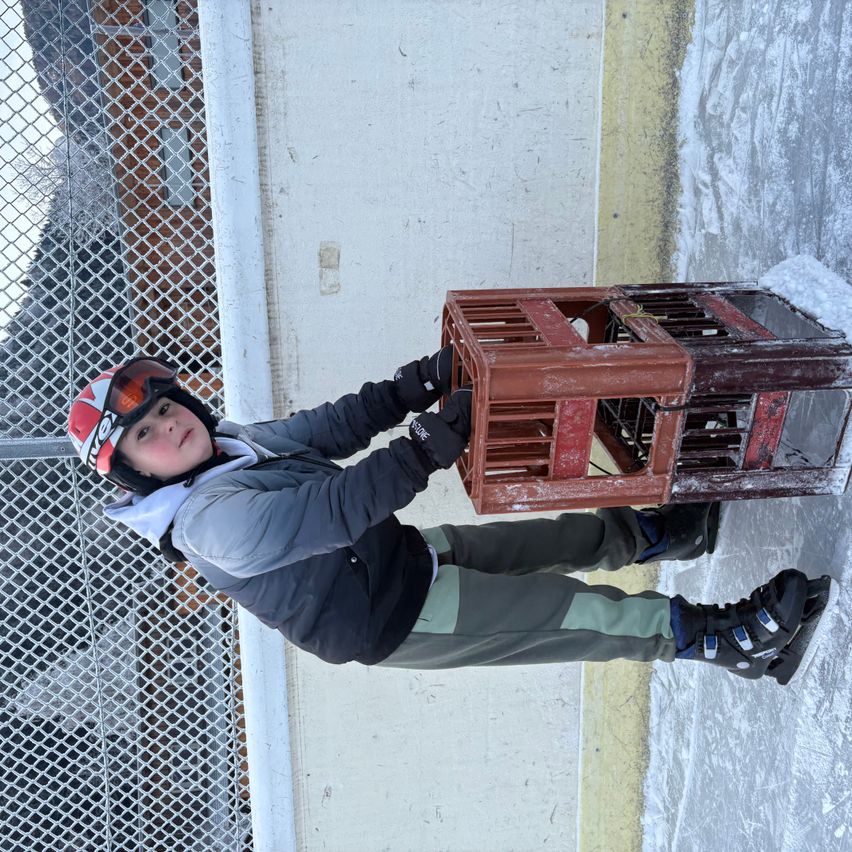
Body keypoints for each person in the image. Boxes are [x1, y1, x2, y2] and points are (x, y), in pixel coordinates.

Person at [67, 353, 835, 685]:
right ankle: (734, 643)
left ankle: (674, 532)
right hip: (393, 613)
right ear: (136, 469)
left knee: (556, 537)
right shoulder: (207, 526)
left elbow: (329, 428)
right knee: (570, 613)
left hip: (396, 556)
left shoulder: (233, 445)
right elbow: (333, 507)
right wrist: (427, 446)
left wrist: (413, 385)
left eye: (166, 410)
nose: (169, 429)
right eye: (145, 436)